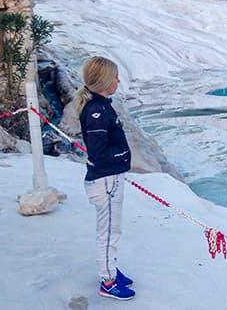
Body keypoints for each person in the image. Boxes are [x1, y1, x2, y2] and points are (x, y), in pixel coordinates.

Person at [75, 56, 136, 301]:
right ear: (103, 81)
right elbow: (99, 153)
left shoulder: (101, 104)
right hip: (106, 180)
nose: (118, 81)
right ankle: (108, 281)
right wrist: (123, 155)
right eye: (114, 78)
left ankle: (110, 267)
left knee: (112, 229)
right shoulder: (97, 112)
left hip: (108, 179)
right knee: (109, 232)